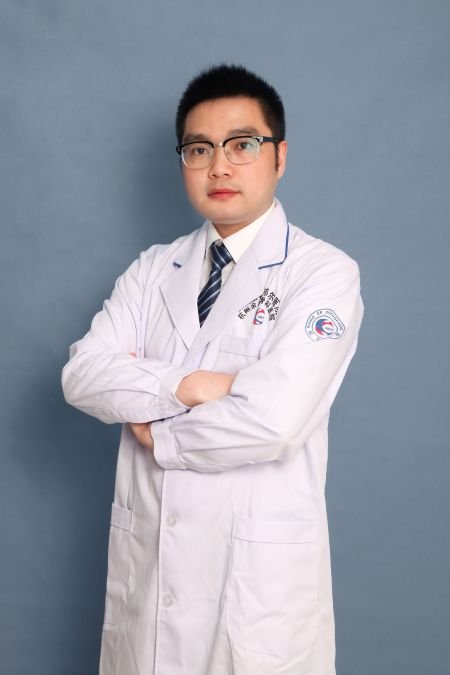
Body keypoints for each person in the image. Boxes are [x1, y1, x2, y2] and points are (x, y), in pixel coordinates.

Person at [62, 63, 364, 675]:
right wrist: (190, 385)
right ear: (183, 162)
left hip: (256, 593)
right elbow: (83, 375)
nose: (219, 166)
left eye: (241, 145)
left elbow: (275, 421)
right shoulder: (152, 268)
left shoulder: (323, 273)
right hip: (150, 584)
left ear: (279, 157)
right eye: (199, 149)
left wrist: (161, 434)